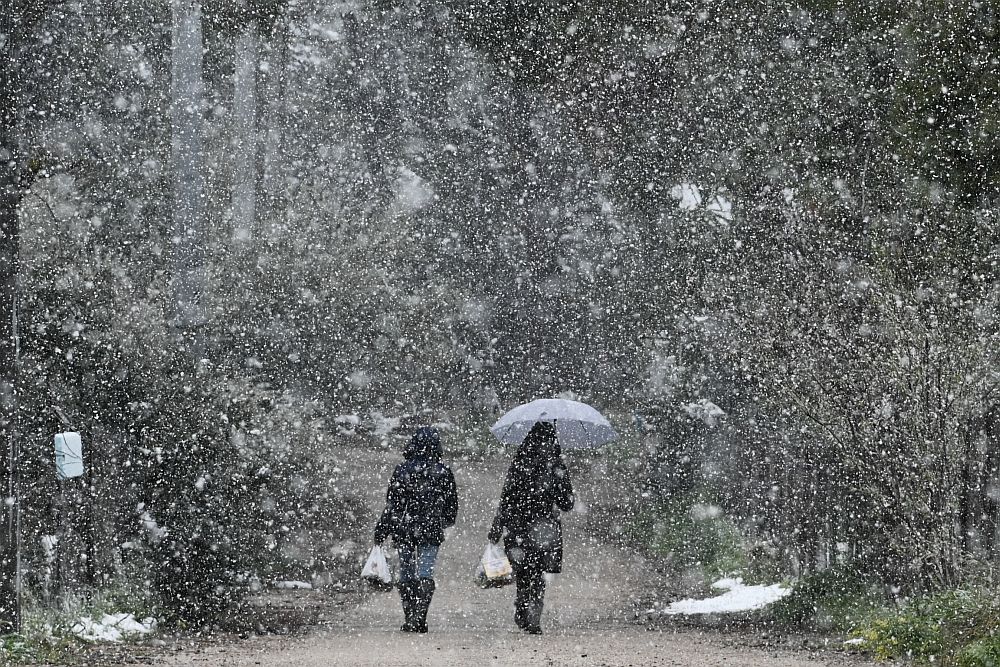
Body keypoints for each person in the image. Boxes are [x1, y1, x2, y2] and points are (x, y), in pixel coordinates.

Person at [488, 421, 574, 635]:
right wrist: (564, 493)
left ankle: (522, 606)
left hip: (518, 527)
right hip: (545, 529)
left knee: (524, 569)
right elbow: (567, 504)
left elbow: (506, 498)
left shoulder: (520, 462)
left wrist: (497, 527)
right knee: (539, 572)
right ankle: (533, 613)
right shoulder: (556, 465)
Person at [374, 427, 458, 633]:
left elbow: (392, 504)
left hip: (404, 530)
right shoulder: (443, 472)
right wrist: (443, 521)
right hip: (431, 530)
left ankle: (410, 614)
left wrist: (382, 530)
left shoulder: (402, 470)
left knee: (407, 572)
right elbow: (451, 506)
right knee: (425, 573)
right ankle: (421, 615)